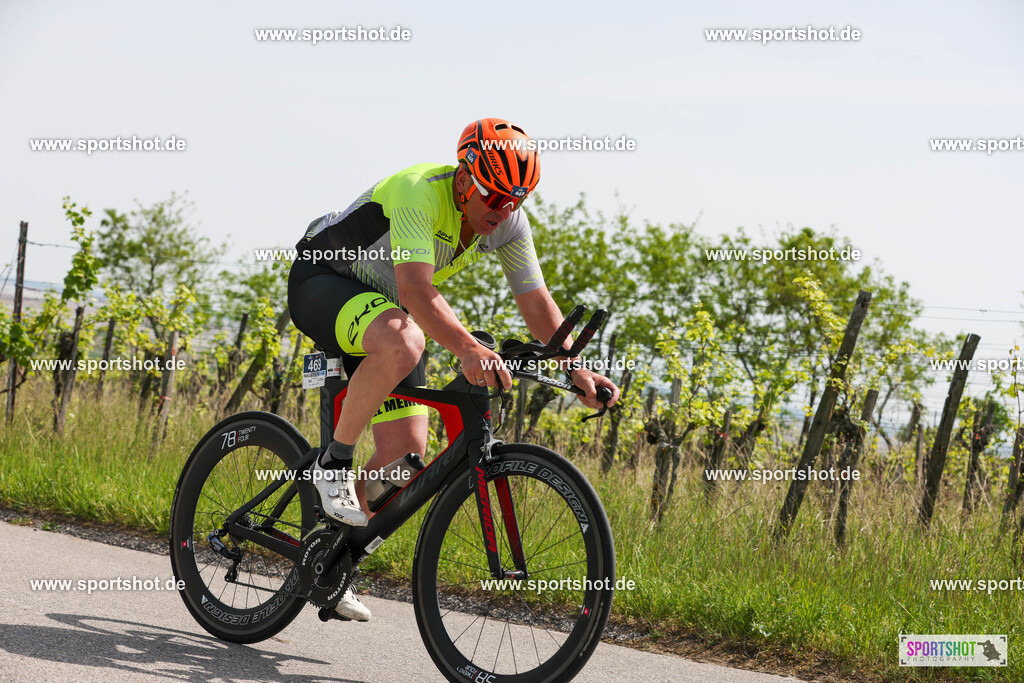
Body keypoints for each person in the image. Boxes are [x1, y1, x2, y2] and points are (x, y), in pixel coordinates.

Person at [287, 118, 620, 620]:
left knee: (404, 460)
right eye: (496, 196)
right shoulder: (419, 192)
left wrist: (576, 370)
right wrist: (467, 348)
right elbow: (418, 290)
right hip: (324, 278)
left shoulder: (507, 223)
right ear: (466, 179)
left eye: (517, 199)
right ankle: (332, 464)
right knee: (406, 340)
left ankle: (330, 558)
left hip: (384, 309)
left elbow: (536, 301)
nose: (504, 209)